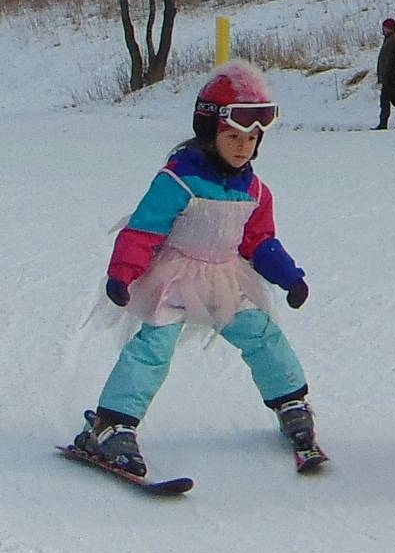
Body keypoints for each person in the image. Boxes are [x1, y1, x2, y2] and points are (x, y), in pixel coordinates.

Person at [72, 60, 318, 476]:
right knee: (153, 349)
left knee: (262, 336)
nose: (243, 147)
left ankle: (291, 400)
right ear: (210, 133)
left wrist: (290, 277)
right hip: (176, 275)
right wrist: (123, 273)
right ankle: (111, 424)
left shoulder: (254, 189)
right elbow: (144, 229)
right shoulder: (178, 179)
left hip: (224, 276)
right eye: (232, 136)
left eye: (252, 138)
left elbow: (259, 241)